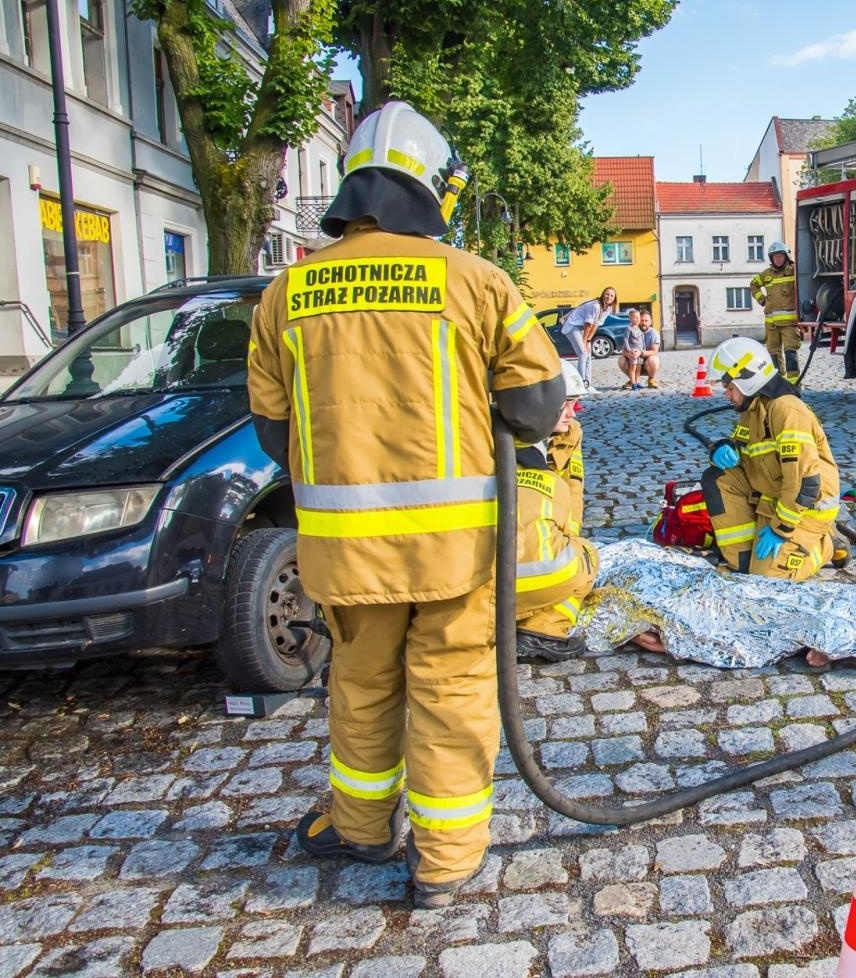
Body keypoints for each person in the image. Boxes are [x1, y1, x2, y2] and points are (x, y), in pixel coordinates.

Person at [247, 101, 565, 908]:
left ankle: (358, 828)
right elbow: (536, 408)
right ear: (431, 190)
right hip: (455, 552)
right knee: (453, 689)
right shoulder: (475, 281)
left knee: (358, 682)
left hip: (344, 554)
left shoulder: (286, 293)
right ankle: (446, 861)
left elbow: (274, 436)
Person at [701, 336, 840, 582]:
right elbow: (740, 450)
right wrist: (723, 448)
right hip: (773, 499)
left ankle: (826, 544)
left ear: (748, 380)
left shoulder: (787, 410)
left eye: (730, 388)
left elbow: (804, 482)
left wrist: (781, 529)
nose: (727, 396)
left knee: (767, 580)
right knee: (718, 477)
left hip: (806, 510)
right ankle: (742, 561)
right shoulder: (753, 410)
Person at [512, 362, 598, 662]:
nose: (572, 413)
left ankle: (534, 628)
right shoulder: (501, 439)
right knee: (587, 561)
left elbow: (574, 488)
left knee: (573, 553)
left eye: (575, 404)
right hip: (498, 568)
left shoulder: (570, 433)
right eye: (565, 405)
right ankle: (545, 629)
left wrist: (567, 537)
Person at [750, 241, 800, 383]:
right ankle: (779, 386)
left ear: (786, 257)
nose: (778, 259)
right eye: (775, 257)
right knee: (773, 356)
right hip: (771, 325)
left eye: (780, 256)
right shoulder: (766, 274)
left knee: (791, 355)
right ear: (771, 259)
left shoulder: (793, 271)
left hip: (789, 324)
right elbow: (753, 284)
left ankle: (794, 387)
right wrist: (761, 299)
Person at [561, 286, 618, 388]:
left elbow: (595, 325)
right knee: (583, 353)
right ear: (603, 295)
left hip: (582, 328)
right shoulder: (595, 306)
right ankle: (580, 384)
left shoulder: (608, 308)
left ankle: (588, 384)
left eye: (612, 296)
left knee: (588, 355)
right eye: (607, 294)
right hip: (573, 326)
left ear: (614, 298)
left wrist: (589, 340)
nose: (609, 297)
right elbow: (588, 325)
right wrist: (584, 342)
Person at [616, 308, 644, 387]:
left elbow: (642, 340)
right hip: (633, 352)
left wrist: (643, 350)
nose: (637, 319)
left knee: (638, 368)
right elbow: (625, 340)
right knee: (633, 368)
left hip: (640, 352)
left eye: (638, 317)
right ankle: (633, 383)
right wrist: (629, 350)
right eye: (635, 317)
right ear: (630, 319)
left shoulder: (639, 329)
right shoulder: (629, 329)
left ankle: (637, 382)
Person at [636, 310, 662, 388]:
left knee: (653, 360)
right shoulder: (633, 332)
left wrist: (641, 353)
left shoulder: (654, 333)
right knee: (622, 360)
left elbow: (655, 351)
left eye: (646, 321)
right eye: (641, 320)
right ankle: (633, 380)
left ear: (650, 322)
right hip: (635, 362)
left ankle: (651, 379)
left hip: (648, 362)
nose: (644, 323)